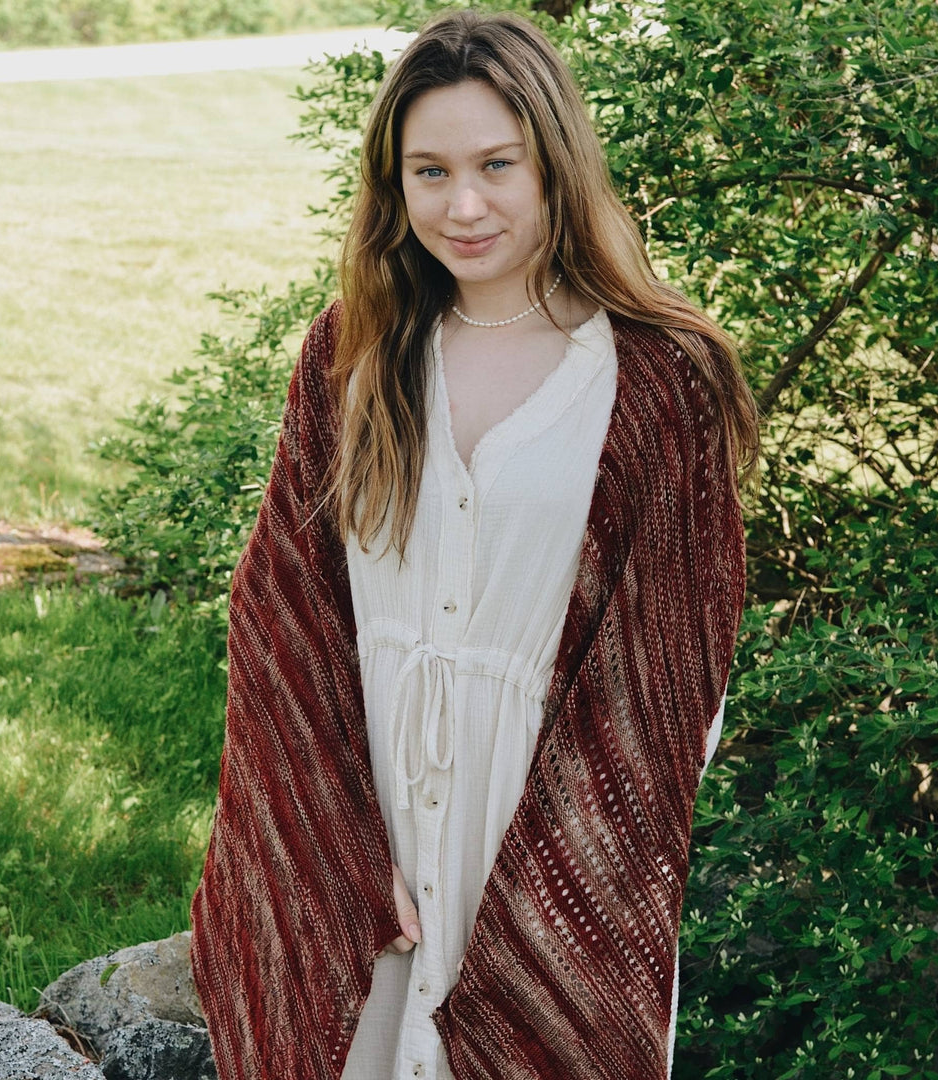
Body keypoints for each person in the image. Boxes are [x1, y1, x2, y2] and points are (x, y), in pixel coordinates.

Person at [190, 9, 758, 1080]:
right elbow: (282, 610)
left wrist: (559, 895)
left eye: (496, 165)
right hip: (367, 823)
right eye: (429, 171)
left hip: (551, 830)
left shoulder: (655, 378)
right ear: (391, 184)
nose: (464, 205)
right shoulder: (351, 351)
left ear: (554, 161)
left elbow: (674, 680)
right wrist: (335, 856)